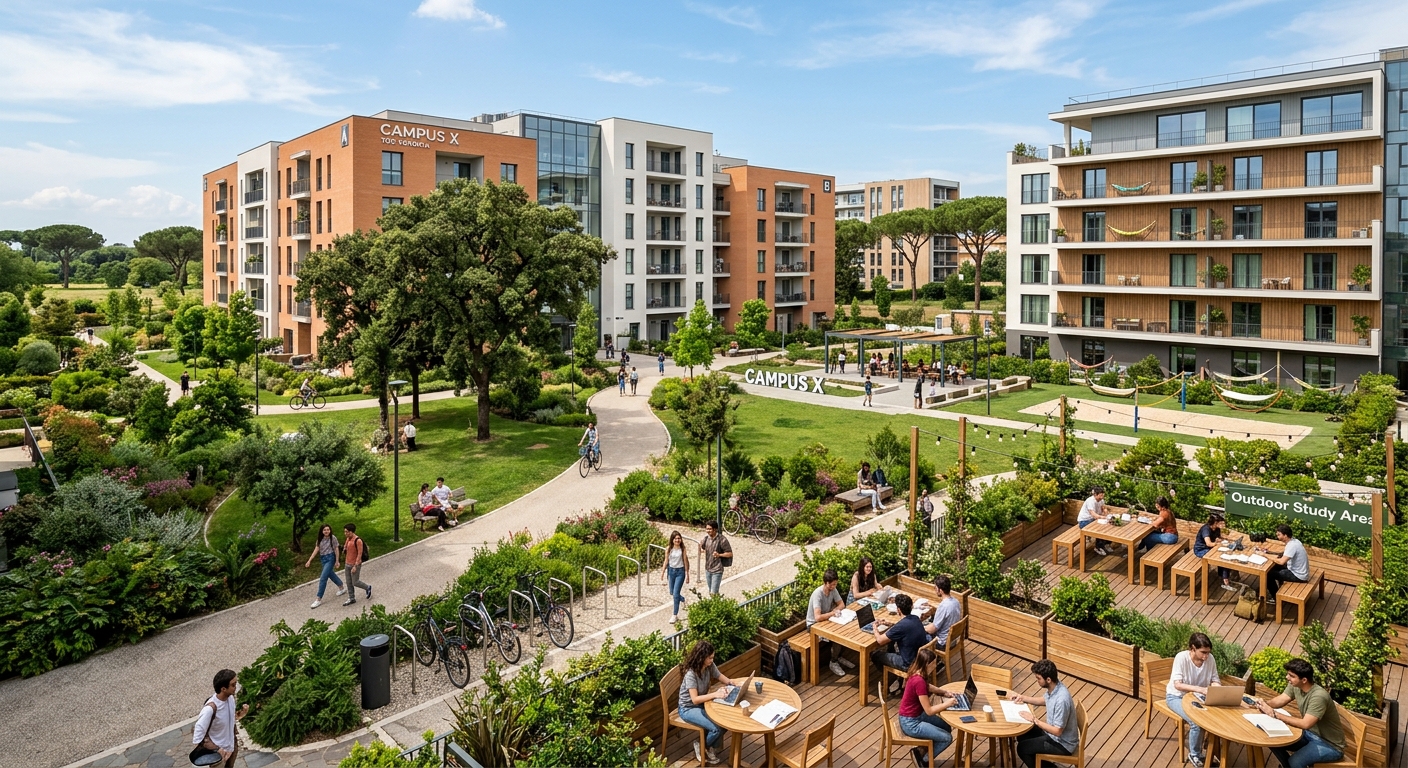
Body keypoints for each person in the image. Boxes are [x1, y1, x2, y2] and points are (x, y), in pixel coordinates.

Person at [1258, 658, 1346, 768]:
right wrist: (1263, 704)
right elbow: (1281, 699)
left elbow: (1305, 724)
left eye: (1291, 676)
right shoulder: (1296, 686)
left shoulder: (1318, 697)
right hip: (1309, 734)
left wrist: (1274, 714)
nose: (1287, 677)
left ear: (1304, 680)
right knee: (1272, 740)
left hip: (1330, 745)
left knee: (1295, 763)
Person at [1163, 632, 1221, 768]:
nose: (1206, 656)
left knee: (1217, 715)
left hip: (1198, 697)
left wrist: (1217, 689)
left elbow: (1215, 679)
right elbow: (1178, 685)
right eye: (1203, 652)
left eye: (1208, 652)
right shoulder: (1181, 658)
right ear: (1193, 648)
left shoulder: (1210, 659)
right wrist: (1200, 689)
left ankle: (1212, 749)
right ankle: (1195, 754)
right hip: (1176, 697)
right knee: (1196, 721)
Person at [678, 639, 739, 766]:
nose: (712, 660)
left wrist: (731, 683)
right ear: (701, 657)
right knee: (716, 729)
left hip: (703, 702)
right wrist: (715, 694)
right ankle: (701, 746)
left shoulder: (709, 666)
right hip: (688, 708)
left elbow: (719, 676)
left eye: (712, 657)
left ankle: (709, 746)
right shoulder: (691, 674)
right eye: (710, 658)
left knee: (725, 721)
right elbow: (694, 699)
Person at [1010, 659, 1081, 768]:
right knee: (1023, 734)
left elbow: (1057, 731)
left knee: (1022, 749)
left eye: (1038, 678)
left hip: (1062, 744)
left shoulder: (1061, 700)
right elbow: (1044, 700)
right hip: (1052, 735)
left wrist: (1035, 720)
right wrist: (1023, 698)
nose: (1037, 681)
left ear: (1048, 679)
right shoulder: (1055, 687)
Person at [898, 647, 957, 768]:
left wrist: (944, 692)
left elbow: (928, 686)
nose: (935, 665)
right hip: (911, 723)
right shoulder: (918, 681)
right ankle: (924, 760)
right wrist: (948, 704)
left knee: (946, 727)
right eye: (934, 663)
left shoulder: (916, 672)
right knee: (947, 738)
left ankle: (922, 750)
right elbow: (929, 711)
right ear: (927, 664)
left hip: (914, 715)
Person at [192, 669, 249, 767]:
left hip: (231, 748)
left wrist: (242, 714)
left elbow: (229, 719)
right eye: (233, 685)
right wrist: (215, 750)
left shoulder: (230, 699)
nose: (236, 687)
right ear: (223, 689)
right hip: (217, 755)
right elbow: (198, 735)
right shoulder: (210, 709)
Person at [871, 594, 928, 692]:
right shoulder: (915, 618)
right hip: (920, 659)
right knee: (891, 644)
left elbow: (880, 641)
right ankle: (894, 676)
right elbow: (902, 628)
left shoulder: (901, 626)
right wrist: (889, 624)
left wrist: (874, 628)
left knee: (875, 655)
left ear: (898, 610)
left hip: (908, 664)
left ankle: (891, 677)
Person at [807, 568, 850, 679]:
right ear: (826, 583)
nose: (834, 587)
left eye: (835, 584)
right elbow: (817, 617)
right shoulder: (818, 594)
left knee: (844, 629)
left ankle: (838, 656)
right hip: (813, 625)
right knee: (837, 635)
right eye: (832, 585)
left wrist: (835, 610)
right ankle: (833, 661)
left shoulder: (833, 590)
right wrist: (832, 613)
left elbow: (842, 604)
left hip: (826, 621)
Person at [1259, 523, 1309, 603]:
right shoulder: (1294, 541)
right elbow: (1284, 554)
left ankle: (1276, 599)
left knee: (1268, 574)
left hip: (1298, 576)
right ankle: (1278, 588)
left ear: (1285, 535)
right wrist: (1269, 552)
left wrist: (1264, 555)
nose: (1277, 536)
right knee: (1273, 567)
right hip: (1298, 571)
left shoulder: (1291, 546)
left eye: (1279, 535)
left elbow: (1281, 562)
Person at [304, 524, 346, 608]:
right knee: (330, 574)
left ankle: (318, 599)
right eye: (324, 530)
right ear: (322, 531)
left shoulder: (333, 538)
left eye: (328, 529)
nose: (326, 531)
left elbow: (336, 549)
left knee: (323, 578)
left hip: (330, 558)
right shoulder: (319, 539)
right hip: (323, 559)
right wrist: (309, 560)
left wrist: (337, 560)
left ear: (330, 530)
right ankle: (341, 587)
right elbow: (316, 549)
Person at [1195, 513, 1236, 592]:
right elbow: (1208, 543)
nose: (1223, 525)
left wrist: (1224, 540)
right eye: (1221, 523)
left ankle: (1223, 577)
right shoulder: (1206, 530)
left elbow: (1217, 537)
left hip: (1211, 548)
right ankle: (1225, 580)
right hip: (1201, 549)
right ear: (1215, 523)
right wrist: (1218, 544)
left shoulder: (1217, 529)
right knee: (1222, 557)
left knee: (1225, 555)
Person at [925, 574, 963, 652]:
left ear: (941, 590)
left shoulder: (943, 607)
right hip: (952, 640)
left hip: (942, 643)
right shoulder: (956, 601)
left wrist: (920, 627)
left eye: (935, 588)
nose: (935, 590)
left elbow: (932, 629)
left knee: (917, 634)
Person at [662, 530, 690, 625]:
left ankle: (675, 615)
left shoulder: (683, 549)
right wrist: (662, 572)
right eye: (675, 538)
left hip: (680, 572)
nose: (677, 540)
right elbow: (666, 561)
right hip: (671, 572)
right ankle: (682, 599)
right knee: (672, 592)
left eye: (679, 538)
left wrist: (687, 574)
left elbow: (685, 561)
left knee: (675, 594)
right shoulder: (669, 549)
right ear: (672, 539)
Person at [341, 523, 371, 606]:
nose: (345, 533)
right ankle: (351, 598)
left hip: (355, 564)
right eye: (345, 532)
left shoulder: (358, 541)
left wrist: (355, 566)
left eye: (347, 532)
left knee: (355, 582)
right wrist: (344, 549)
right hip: (347, 563)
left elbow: (359, 554)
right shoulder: (348, 539)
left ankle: (367, 587)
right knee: (348, 582)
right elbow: (346, 547)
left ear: (351, 532)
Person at [1078, 486, 1113, 556]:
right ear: (1095, 495)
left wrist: (1105, 512)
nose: (1101, 498)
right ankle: (1098, 547)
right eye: (1100, 496)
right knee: (1100, 528)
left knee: (1109, 525)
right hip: (1084, 521)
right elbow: (1094, 515)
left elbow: (1103, 508)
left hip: (1094, 520)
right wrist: (1103, 517)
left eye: (1102, 496)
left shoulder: (1101, 501)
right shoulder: (1090, 501)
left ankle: (1106, 544)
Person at [700, 521, 731, 595]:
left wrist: (719, 555)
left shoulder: (722, 539)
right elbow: (702, 548)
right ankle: (717, 601)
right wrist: (701, 548)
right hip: (708, 569)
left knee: (713, 592)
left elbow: (730, 554)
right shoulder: (706, 539)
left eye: (710, 529)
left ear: (715, 529)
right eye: (707, 529)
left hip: (717, 569)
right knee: (711, 591)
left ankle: (716, 601)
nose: (708, 531)